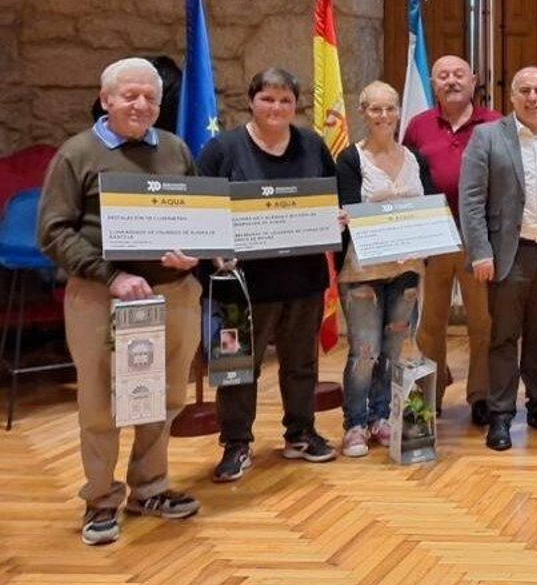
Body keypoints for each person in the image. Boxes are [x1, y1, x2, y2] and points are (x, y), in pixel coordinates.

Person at [38, 58, 203, 545]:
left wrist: (195, 252)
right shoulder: (77, 154)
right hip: (100, 299)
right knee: (101, 404)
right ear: (106, 98)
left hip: (173, 295)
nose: (140, 105)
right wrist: (110, 277)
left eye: (150, 97)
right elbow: (53, 231)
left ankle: (149, 487)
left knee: (167, 396)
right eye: (129, 95)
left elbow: (197, 215)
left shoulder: (175, 149)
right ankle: (100, 498)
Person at [197, 68, 339, 481]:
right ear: (251, 100)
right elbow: (203, 211)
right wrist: (216, 253)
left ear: (295, 106)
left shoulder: (311, 144)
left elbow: (331, 196)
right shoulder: (222, 149)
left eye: (285, 101)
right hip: (243, 286)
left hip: (303, 279)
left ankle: (301, 431)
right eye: (268, 99)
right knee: (239, 367)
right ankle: (236, 443)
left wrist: (336, 217)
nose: (276, 108)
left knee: (301, 364)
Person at [458, 65, 537, 451]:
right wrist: (480, 251)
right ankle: (500, 415)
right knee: (504, 337)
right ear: (511, 97)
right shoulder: (487, 136)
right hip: (507, 255)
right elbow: (471, 200)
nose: (532, 97)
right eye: (524, 90)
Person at [333, 81, 433, 457]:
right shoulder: (349, 159)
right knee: (365, 350)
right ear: (362, 112)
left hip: (407, 270)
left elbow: (431, 207)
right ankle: (355, 423)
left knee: (392, 349)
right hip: (363, 271)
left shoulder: (415, 158)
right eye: (375, 109)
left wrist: (423, 245)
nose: (384, 116)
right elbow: (347, 211)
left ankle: (381, 417)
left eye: (390, 108)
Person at [403, 55, 500, 425]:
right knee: (431, 323)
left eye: (459, 74)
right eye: (443, 76)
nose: (451, 81)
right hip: (433, 235)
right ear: (433, 83)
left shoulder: (494, 123)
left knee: (483, 321)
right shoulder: (418, 125)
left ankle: (481, 396)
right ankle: (430, 394)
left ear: (474, 80)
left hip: (479, 238)